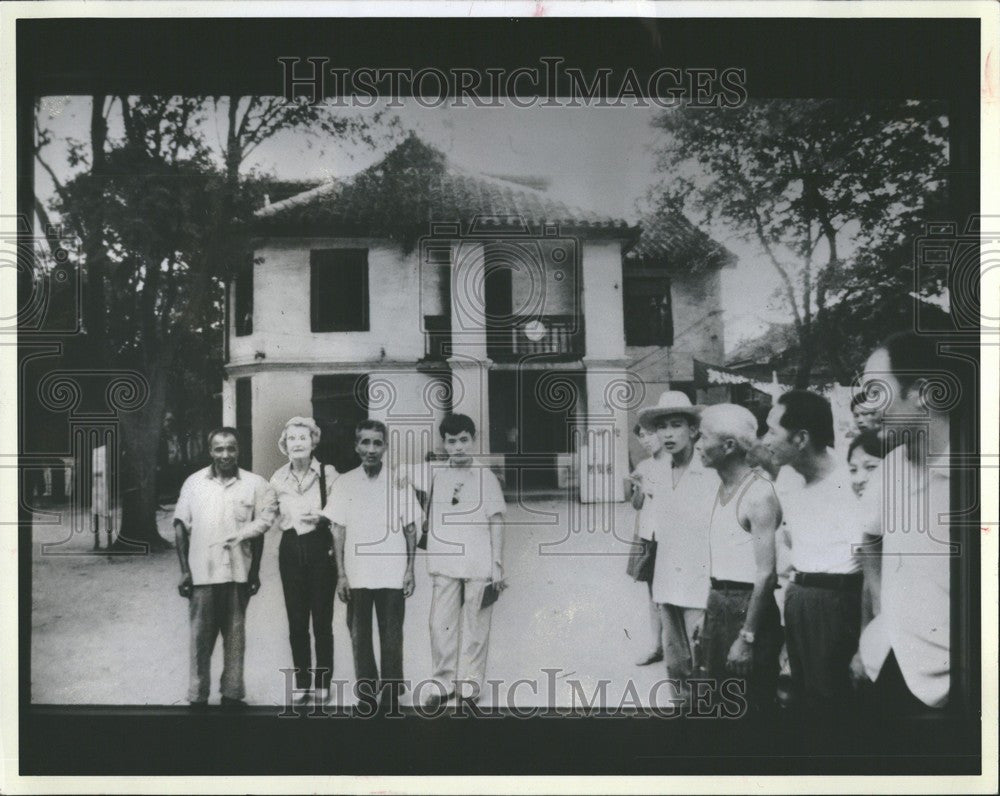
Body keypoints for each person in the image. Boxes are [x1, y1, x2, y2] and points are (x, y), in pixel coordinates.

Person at [850, 332, 951, 713]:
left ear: (922, 391)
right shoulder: (889, 468)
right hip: (892, 671)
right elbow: (870, 541)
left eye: (878, 390)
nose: (867, 406)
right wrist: (879, 625)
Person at [762, 390, 861, 712]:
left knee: (832, 709)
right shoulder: (788, 480)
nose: (765, 440)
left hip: (836, 607)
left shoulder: (851, 485)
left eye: (772, 431)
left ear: (801, 438)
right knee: (799, 704)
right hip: (798, 602)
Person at [173, 427, 278, 710]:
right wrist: (185, 571)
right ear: (210, 452)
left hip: (237, 575)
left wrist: (254, 571)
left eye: (231, 448)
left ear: (238, 450)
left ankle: (232, 695)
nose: (225, 454)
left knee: (235, 639)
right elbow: (180, 526)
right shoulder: (193, 483)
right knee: (200, 641)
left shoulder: (255, 484)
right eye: (219, 449)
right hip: (201, 575)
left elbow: (259, 533)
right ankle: (198, 697)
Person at [322, 419, 420, 709]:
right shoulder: (345, 482)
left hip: (391, 573)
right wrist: (341, 574)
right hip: (357, 573)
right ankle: (367, 691)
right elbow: (337, 530)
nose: (371, 449)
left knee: (392, 636)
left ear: (386, 446)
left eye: (377, 443)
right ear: (356, 446)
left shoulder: (399, 482)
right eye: (365, 442)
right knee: (358, 634)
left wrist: (410, 569)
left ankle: (390, 693)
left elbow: (411, 529)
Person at [697, 403, 783, 713]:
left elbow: (766, 574)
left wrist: (747, 637)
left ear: (729, 445)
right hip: (720, 604)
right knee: (717, 708)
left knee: (750, 708)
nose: (697, 444)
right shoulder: (721, 488)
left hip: (748, 610)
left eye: (703, 437)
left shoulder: (758, 494)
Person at [418, 413, 507, 707]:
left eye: (463, 440)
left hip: (479, 562)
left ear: (473, 440)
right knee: (440, 625)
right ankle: (442, 684)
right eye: (452, 441)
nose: (458, 447)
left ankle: (470, 685)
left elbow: (496, 521)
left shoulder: (486, 477)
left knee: (476, 626)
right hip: (444, 563)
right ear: (444, 444)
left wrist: (496, 563)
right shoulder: (437, 475)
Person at [640, 391, 717, 706]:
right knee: (675, 669)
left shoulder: (711, 471)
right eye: (662, 427)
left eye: (676, 425)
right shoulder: (655, 472)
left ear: (694, 430)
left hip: (702, 584)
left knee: (706, 667)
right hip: (667, 583)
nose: (668, 434)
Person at [269, 417, 340, 706]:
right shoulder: (276, 478)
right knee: (296, 620)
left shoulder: (328, 473)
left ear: (313, 441)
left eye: (303, 438)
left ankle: (323, 682)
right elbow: (268, 513)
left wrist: (324, 517)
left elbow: (342, 511)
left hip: (320, 546)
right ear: (285, 445)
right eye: (292, 439)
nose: (297, 443)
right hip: (291, 548)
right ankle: (301, 681)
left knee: (322, 620)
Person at [626, 420, 669, 667]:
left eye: (649, 434)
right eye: (641, 435)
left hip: (669, 536)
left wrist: (651, 488)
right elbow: (637, 505)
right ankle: (657, 646)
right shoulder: (644, 465)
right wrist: (639, 488)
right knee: (653, 594)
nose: (645, 440)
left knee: (673, 593)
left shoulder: (675, 464)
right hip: (648, 534)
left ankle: (678, 646)